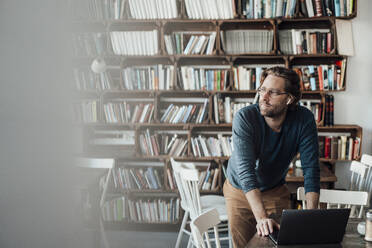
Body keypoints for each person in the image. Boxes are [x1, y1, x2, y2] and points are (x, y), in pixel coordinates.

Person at [223, 66, 320, 248]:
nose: (264, 97)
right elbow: (246, 171)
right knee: (244, 246)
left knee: (280, 244)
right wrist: (261, 218)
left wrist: (311, 217)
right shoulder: (245, 118)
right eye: (262, 90)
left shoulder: (304, 119)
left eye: (273, 92)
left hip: (274, 189)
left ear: (289, 99)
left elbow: (311, 169)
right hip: (239, 190)